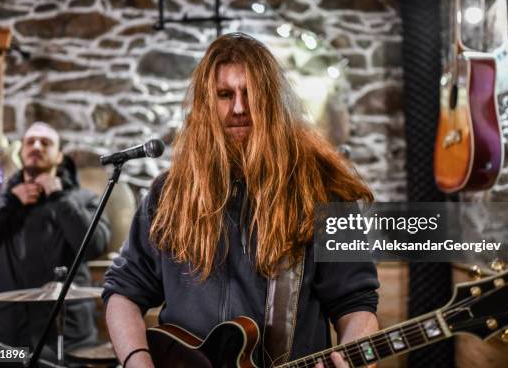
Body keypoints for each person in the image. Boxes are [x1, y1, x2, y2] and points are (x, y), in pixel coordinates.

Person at [103, 33, 380, 368]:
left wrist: (352, 356)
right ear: (206, 105)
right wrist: (137, 362)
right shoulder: (168, 194)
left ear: (274, 101)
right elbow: (123, 292)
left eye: (250, 94)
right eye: (224, 95)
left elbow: (356, 304)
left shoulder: (325, 191)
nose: (238, 108)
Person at [0, 122, 111, 358]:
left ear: (59, 156)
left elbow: (96, 246)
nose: (36, 146)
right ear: (21, 151)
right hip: (2, 339)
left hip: (67, 338)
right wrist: (9, 201)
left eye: (45, 142)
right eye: (30, 141)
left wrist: (60, 197)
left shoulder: (83, 199)